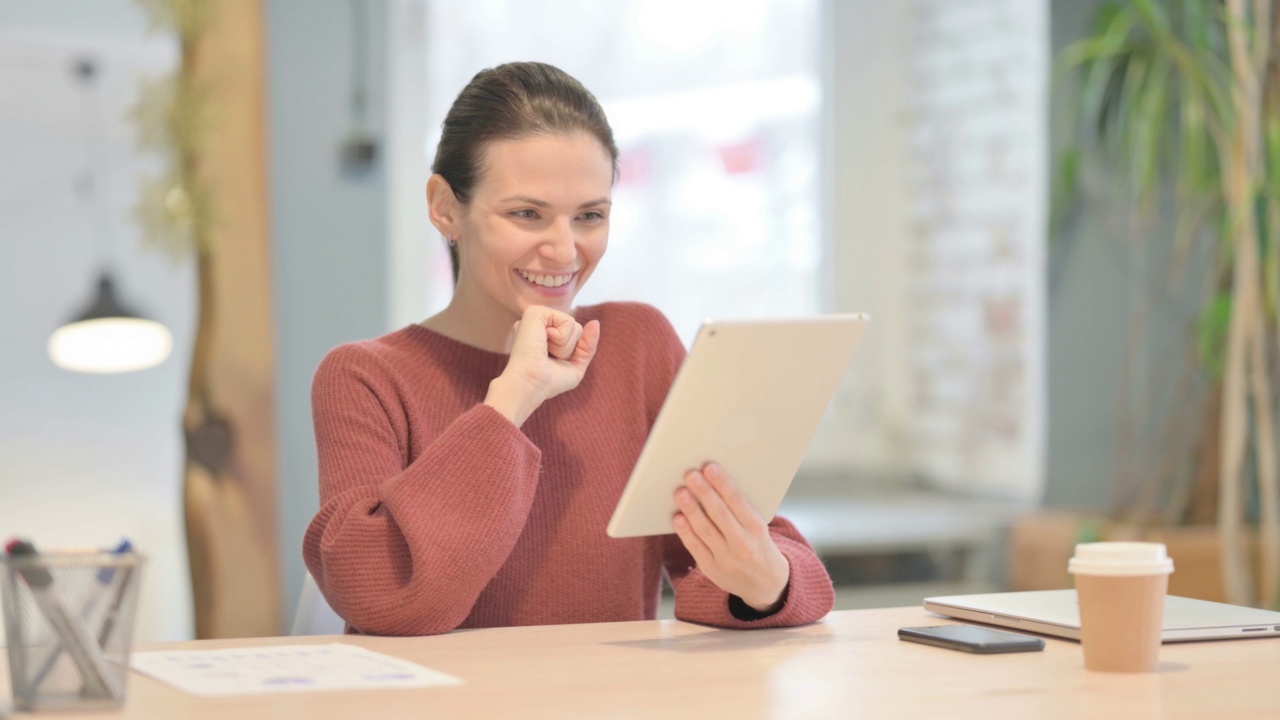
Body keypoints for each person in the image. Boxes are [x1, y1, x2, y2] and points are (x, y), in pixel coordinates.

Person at [303, 61, 835, 636]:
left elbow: (751, 559)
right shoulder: (365, 378)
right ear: (444, 207)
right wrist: (512, 399)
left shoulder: (637, 346)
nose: (563, 250)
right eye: (526, 214)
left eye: (589, 216)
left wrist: (764, 583)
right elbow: (383, 600)